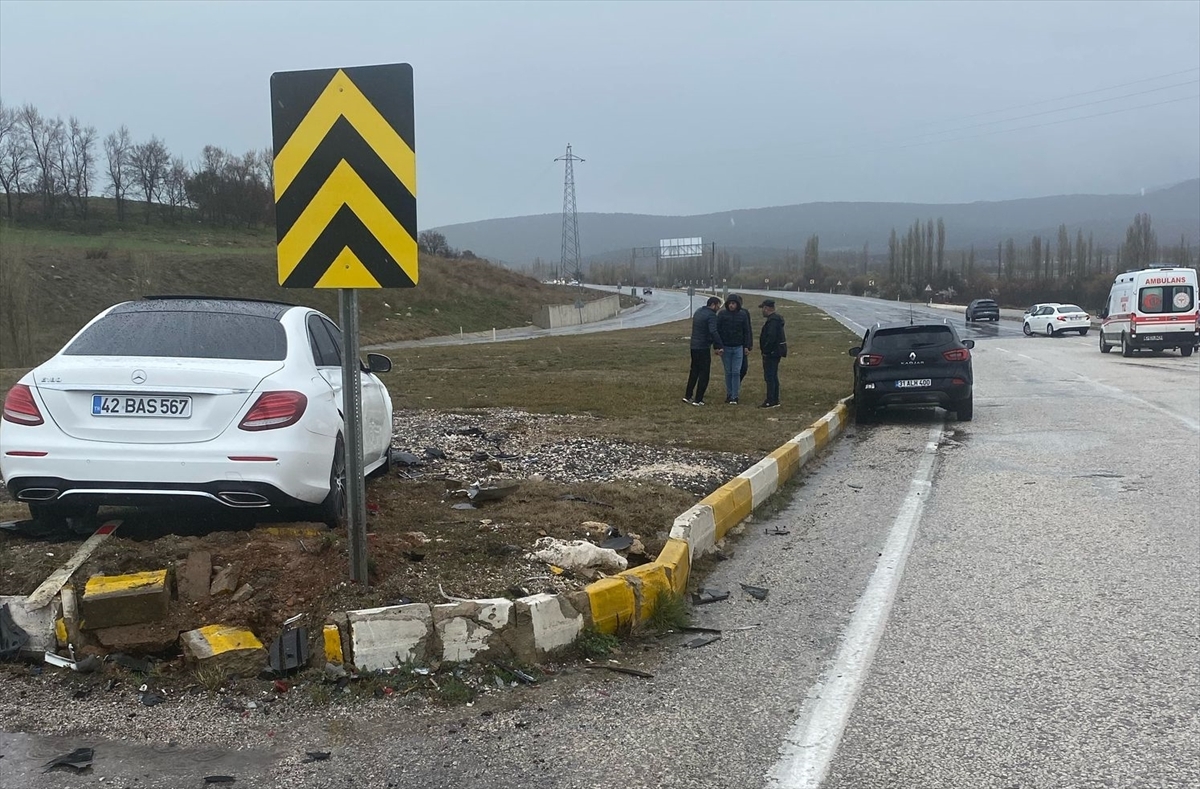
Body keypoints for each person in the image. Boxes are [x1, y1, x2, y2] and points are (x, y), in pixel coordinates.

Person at [684, 296, 723, 406]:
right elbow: (713, 331)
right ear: (713, 305)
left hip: (694, 346)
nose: (718, 308)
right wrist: (719, 345)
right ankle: (698, 399)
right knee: (704, 373)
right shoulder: (711, 315)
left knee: (694, 371)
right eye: (718, 305)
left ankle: (688, 395)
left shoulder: (698, 312)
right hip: (703, 347)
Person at [716, 293, 752, 404]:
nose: (732, 306)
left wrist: (747, 346)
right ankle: (729, 394)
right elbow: (717, 331)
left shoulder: (742, 315)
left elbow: (747, 331)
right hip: (726, 347)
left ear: (737, 304)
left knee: (736, 371)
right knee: (729, 372)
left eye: (734, 303)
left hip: (738, 347)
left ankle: (735, 396)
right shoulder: (722, 315)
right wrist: (718, 346)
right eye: (730, 303)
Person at [757, 299, 786, 408]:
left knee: (770, 376)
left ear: (767, 308)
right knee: (773, 375)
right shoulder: (775, 320)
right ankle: (774, 398)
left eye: (763, 308)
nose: (762, 311)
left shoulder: (773, 321)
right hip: (775, 352)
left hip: (772, 353)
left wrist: (766, 350)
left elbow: (771, 337)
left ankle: (771, 400)